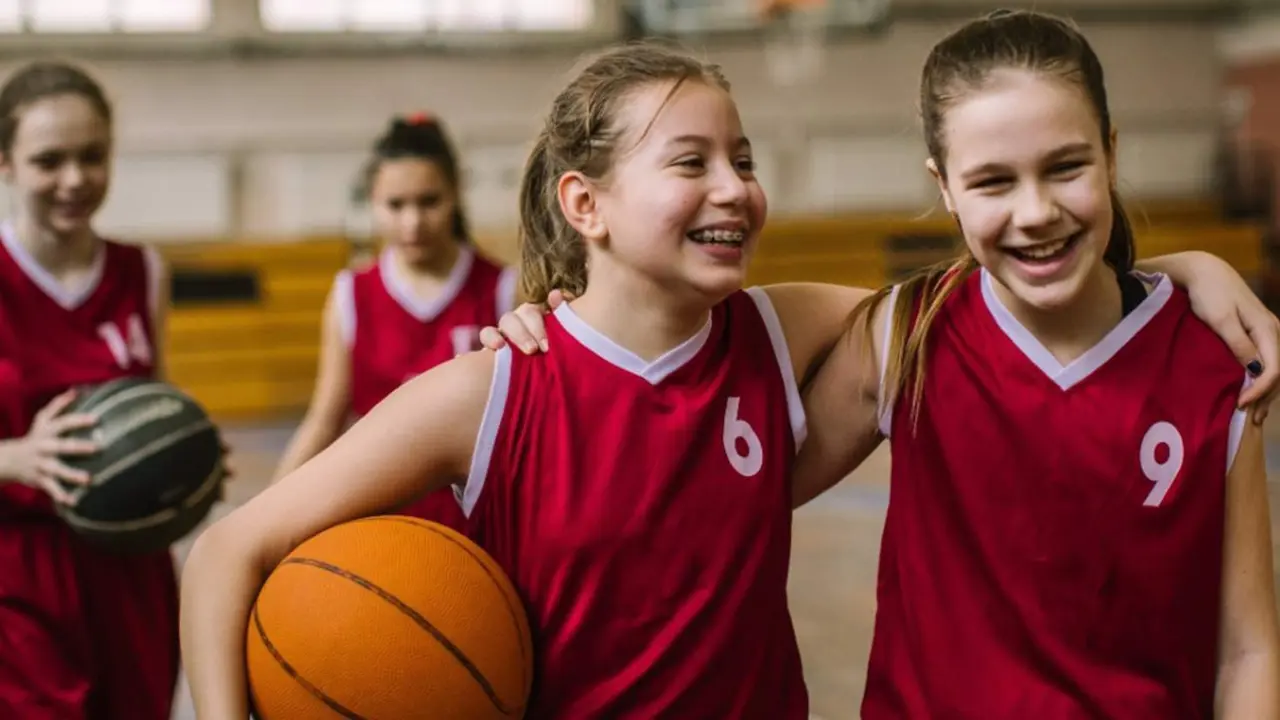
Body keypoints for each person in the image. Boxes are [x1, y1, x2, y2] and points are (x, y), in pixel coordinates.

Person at [179, 41, 1280, 719]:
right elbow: (230, 550)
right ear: (584, 205)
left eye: (742, 159)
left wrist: (1176, 271)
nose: (734, 187)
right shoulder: (495, 387)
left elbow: (1006, 280)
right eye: (691, 162)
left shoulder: (773, 330)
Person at [789, 10, 1278, 716]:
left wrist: (1190, 274)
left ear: (1111, 153)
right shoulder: (909, 336)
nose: (1036, 210)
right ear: (945, 187)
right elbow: (744, 501)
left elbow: (1249, 651)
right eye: (993, 182)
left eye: (1066, 167)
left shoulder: (1211, 363)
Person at [0, 61, 181, 719]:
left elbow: (157, 400)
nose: (74, 179)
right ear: (6, 164)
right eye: (50, 160)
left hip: (131, 565)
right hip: (20, 569)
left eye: (92, 157)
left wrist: (184, 461)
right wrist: (13, 457)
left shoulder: (143, 270)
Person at [271, 113, 515, 529]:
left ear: (455, 193)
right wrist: (267, 512)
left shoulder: (504, 289)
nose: (412, 222)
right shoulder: (352, 293)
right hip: (377, 519)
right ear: (372, 202)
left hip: (478, 522)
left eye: (428, 201)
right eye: (396, 205)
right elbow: (325, 418)